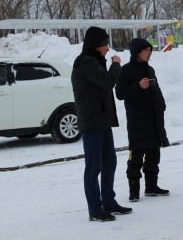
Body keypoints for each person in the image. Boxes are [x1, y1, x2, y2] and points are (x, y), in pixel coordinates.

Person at [71, 26, 132, 222]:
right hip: (92, 121)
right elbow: (107, 81)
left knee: (109, 162)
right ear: (97, 45)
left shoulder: (94, 60)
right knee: (94, 166)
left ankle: (108, 202)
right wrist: (116, 65)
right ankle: (95, 209)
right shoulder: (86, 62)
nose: (108, 48)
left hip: (102, 119)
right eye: (105, 44)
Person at [115, 38, 170, 202]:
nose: (149, 53)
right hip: (137, 121)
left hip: (154, 119)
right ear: (137, 52)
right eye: (146, 50)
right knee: (136, 157)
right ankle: (134, 191)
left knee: (154, 154)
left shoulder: (150, 70)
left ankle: (151, 187)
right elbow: (119, 93)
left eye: (150, 50)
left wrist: (161, 104)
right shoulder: (126, 70)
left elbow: (156, 89)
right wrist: (138, 86)